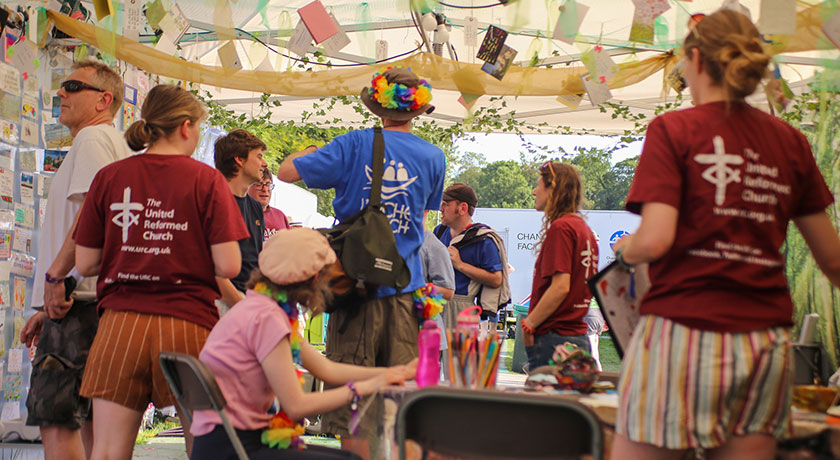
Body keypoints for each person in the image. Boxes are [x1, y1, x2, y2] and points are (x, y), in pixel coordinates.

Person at [610, 10, 840, 460]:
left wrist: (624, 249)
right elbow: (833, 260)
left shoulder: (674, 129)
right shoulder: (790, 142)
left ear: (695, 58)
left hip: (683, 330)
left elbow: (655, 240)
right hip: (764, 342)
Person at [277, 66, 445, 459]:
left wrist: (307, 152)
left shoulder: (352, 144)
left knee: (353, 406)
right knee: (405, 399)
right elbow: (421, 220)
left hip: (354, 289)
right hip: (408, 292)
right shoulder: (433, 157)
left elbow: (286, 172)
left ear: (377, 107)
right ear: (417, 112)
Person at [72, 84, 248, 460]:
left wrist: (133, 254)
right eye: (198, 128)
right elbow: (229, 265)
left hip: (119, 325)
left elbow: (84, 263)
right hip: (189, 325)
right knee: (201, 448)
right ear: (186, 127)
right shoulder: (207, 180)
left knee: (106, 451)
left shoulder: (111, 176)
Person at [191, 228, 415, 460]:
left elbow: (325, 368)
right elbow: (297, 406)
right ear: (315, 278)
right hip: (235, 449)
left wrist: (389, 373)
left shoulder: (259, 307)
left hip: (220, 443)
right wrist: (363, 388)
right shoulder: (268, 319)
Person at [20, 58, 131, 460]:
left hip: (78, 303)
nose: (61, 93)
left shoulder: (92, 140)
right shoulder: (111, 143)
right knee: (92, 428)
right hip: (86, 302)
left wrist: (56, 279)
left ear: (104, 99)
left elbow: (91, 215)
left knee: (57, 419)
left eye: (72, 85)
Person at [522, 162, 598, 370]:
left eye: (539, 185)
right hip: (577, 336)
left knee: (548, 400)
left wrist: (529, 324)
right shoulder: (584, 230)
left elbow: (560, 286)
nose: (534, 191)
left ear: (553, 188)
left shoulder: (562, 228)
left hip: (554, 339)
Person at [434, 183, 510, 338]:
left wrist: (460, 265)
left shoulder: (484, 239)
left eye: (446, 204)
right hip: (435, 304)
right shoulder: (439, 231)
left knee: (458, 362)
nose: (441, 209)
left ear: (462, 208)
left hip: (462, 310)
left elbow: (496, 279)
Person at [214, 129, 268, 312]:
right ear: (239, 159)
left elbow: (256, 260)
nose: (264, 163)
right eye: (259, 156)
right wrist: (239, 303)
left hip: (250, 302)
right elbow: (210, 267)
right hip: (222, 303)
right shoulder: (214, 201)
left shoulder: (255, 207)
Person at [248, 166, 290, 240]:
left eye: (268, 184)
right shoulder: (240, 215)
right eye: (259, 184)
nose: (265, 189)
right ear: (247, 187)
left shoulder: (280, 216)